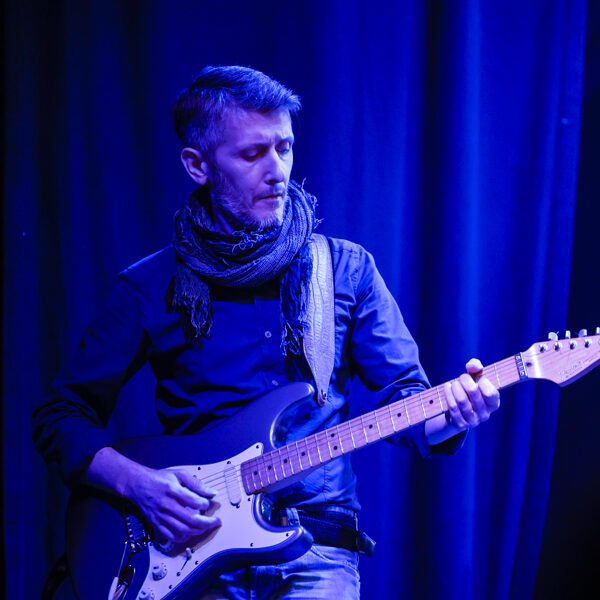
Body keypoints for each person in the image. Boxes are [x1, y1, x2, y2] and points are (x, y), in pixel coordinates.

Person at [32, 65, 501, 600]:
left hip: (317, 550)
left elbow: (407, 399)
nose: (277, 171)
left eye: (285, 148)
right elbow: (59, 415)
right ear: (198, 165)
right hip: (190, 550)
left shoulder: (345, 269)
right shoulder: (149, 286)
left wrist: (451, 415)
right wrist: (140, 485)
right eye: (253, 154)